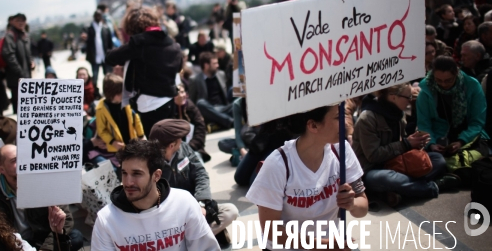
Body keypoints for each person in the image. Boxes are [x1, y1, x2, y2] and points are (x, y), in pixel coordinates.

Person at [246, 105, 368, 250]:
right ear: (313, 125)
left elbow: (363, 206)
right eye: (338, 117)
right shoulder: (278, 164)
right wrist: (324, 245)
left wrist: (352, 204)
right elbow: (271, 230)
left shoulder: (342, 150)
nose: (347, 122)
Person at [90, 139, 220, 250]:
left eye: (136, 174)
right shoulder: (106, 219)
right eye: (124, 173)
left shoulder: (184, 203)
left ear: (156, 175)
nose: (128, 182)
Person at [352, 84, 458, 208]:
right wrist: (406, 144)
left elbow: (403, 143)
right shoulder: (367, 118)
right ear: (393, 97)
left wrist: (417, 144)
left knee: (437, 159)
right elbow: (373, 155)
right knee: (388, 179)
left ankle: (400, 191)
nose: (410, 101)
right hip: (372, 170)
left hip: (396, 162)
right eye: (408, 97)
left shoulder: (399, 115)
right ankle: (432, 186)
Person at [149, 120, 238, 247]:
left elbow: (200, 173)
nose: (182, 140)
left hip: (196, 206)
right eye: (179, 139)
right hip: (171, 218)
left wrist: (200, 202)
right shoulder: (149, 165)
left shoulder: (184, 148)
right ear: (171, 145)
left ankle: (188, 242)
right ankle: (195, 240)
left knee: (230, 211)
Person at [0, 145, 83, 250]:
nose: (22, 162)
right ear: (1, 169)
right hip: (16, 244)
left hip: (44, 238)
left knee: (75, 237)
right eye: (14, 160)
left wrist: (46, 248)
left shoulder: (43, 181)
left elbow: (67, 220)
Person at [105, 6, 182, 133]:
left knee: (155, 146)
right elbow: (178, 68)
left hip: (149, 103)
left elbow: (110, 58)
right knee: (168, 144)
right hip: (169, 101)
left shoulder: (139, 43)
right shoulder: (172, 44)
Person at [416, 56, 489, 176]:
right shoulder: (425, 90)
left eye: (448, 80)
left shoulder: (472, 85)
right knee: (434, 162)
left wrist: (461, 141)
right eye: (438, 80)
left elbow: (477, 122)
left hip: (469, 136)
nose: (443, 85)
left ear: (457, 73)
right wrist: (432, 144)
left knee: (475, 164)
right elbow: (424, 124)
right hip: (438, 136)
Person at [95, 74, 145, 160]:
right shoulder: (101, 109)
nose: (123, 94)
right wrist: (113, 142)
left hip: (132, 143)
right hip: (116, 148)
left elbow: (136, 119)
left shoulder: (126, 102)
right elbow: (101, 130)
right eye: (120, 93)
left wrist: (141, 135)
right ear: (111, 93)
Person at [188, 52, 233, 129]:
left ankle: (224, 120)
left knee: (237, 101)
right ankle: (229, 121)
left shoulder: (221, 74)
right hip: (208, 110)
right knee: (200, 103)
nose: (217, 66)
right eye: (215, 64)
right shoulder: (195, 80)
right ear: (206, 65)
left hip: (224, 108)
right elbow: (192, 101)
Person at [1, 14, 33, 115]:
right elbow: (9, 55)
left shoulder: (25, 35)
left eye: (23, 21)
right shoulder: (10, 35)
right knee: (18, 106)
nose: (21, 23)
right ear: (12, 22)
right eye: (18, 20)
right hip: (15, 76)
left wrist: (31, 62)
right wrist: (19, 71)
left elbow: (28, 53)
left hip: (26, 75)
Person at [172, 84, 209, 162]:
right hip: (175, 151)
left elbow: (201, 129)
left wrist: (189, 147)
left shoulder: (192, 108)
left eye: (182, 92)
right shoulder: (169, 111)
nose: (180, 95)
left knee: (196, 160)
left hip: (193, 148)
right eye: (177, 93)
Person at [86, 10, 114, 91]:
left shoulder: (105, 28)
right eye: (96, 16)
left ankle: (108, 91)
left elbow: (110, 43)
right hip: (95, 57)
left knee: (108, 76)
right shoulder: (89, 29)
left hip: (105, 56)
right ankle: (95, 92)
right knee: (95, 76)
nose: (98, 17)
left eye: (99, 16)